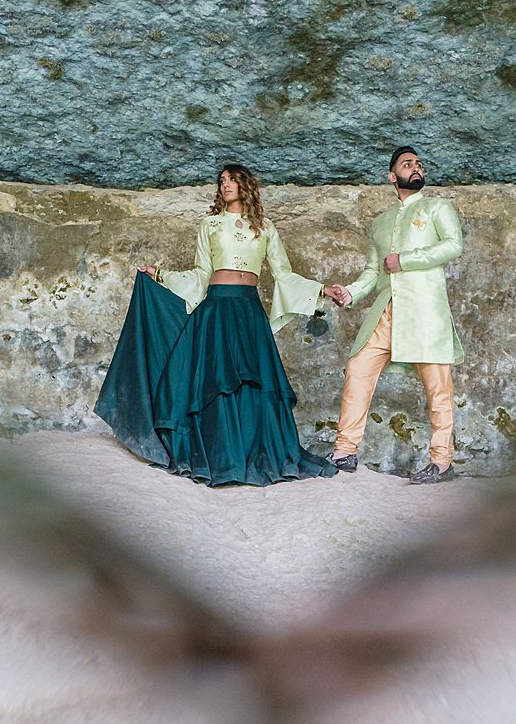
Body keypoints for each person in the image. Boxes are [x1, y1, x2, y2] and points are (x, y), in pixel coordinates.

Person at [94, 163, 336, 487]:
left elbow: (285, 276)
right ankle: (223, 460)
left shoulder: (265, 228)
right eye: (221, 181)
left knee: (251, 383)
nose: (225, 185)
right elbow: (200, 274)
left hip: (249, 310)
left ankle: (250, 457)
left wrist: (322, 290)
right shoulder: (209, 224)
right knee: (219, 382)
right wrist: (160, 275)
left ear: (245, 185)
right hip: (217, 306)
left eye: (232, 179)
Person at [324, 146, 464, 483]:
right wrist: (351, 293)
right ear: (392, 176)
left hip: (424, 311)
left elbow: (453, 245)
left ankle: (441, 461)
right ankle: (344, 451)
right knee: (358, 368)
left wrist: (406, 259)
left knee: (438, 386)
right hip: (387, 310)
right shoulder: (381, 222)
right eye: (407, 164)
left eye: (418, 163)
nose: (416, 167)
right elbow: (373, 272)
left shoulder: (436, 207)